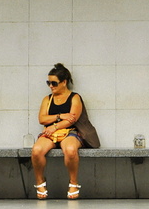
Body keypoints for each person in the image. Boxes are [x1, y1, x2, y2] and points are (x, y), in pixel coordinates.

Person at [30, 63, 100, 200]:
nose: (51, 86)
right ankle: (40, 182)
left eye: (54, 83)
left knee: (70, 150)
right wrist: (59, 116)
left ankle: (73, 183)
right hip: (50, 133)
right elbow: (42, 119)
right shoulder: (47, 99)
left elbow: (72, 119)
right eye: (48, 83)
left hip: (70, 132)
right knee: (36, 150)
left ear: (64, 82)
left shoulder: (75, 98)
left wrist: (55, 126)